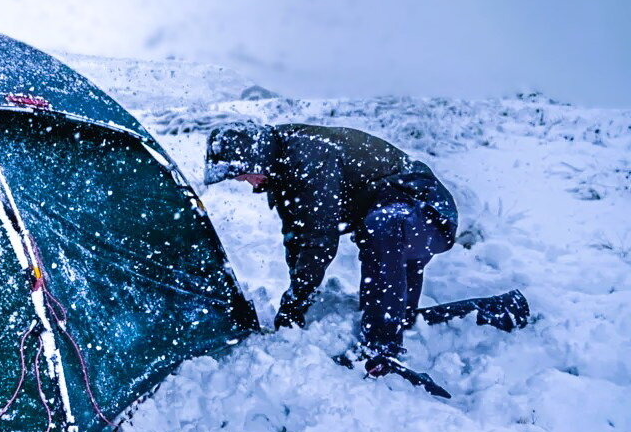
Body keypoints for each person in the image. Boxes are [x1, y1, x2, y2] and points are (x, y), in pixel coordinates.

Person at [203, 122, 518, 382]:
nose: (244, 182)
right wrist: (297, 300)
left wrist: (296, 299)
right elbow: (297, 237)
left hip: (426, 211)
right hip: (397, 222)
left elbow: (319, 240)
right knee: (401, 316)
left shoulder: (308, 157)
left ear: (256, 157)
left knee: (380, 230)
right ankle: (503, 309)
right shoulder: (282, 169)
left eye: (240, 173)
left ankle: (379, 350)